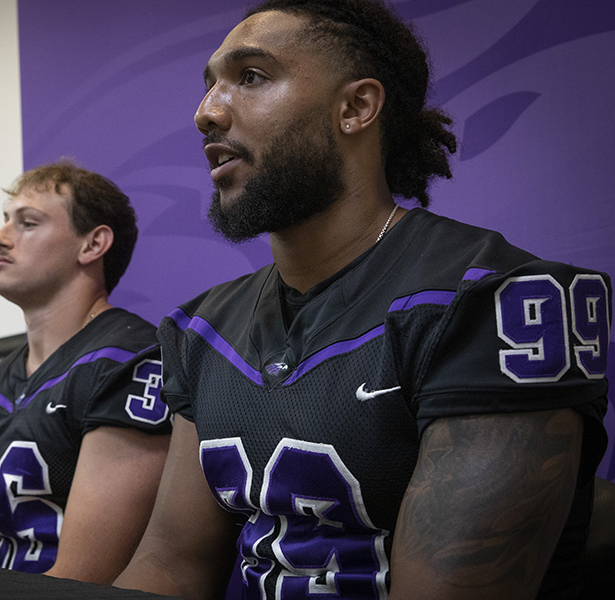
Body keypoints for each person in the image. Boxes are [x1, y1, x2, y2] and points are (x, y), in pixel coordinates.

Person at [115, 1, 610, 599]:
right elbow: (171, 566)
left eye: (250, 77)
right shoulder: (204, 326)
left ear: (355, 108)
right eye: (210, 86)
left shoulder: (489, 300)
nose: (207, 113)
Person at [0, 161, 171, 585]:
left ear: (92, 244)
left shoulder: (127, 361)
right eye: (6, 220)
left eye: (27, 223)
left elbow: (84, 578)